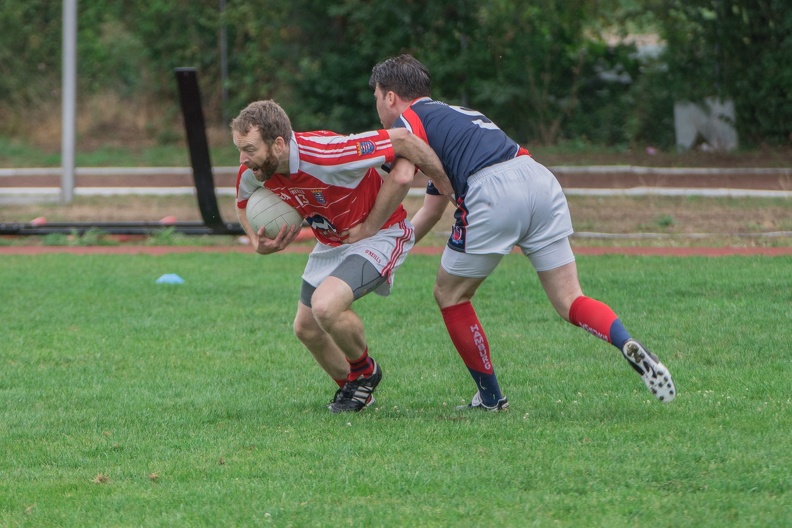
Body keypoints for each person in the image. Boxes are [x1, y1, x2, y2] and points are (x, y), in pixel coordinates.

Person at [361, 54, 675, 410]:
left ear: (390, 97)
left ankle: (492, 398)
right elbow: (433, 209)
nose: (378, 109)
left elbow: (398, 178)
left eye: (376, 98)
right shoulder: (456, 116)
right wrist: (395, 248)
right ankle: (626, 342)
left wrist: (370, 232)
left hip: (491, 191)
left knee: (450, 295)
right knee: (570, 298)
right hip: (536, 177)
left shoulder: (408, 121)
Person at [231, 99, 452, 413]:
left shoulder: (327, 154)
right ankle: (357, 392)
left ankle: (364, 372)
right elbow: (241, 201)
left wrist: (447, 185)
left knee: (326, 305)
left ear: (278, 144)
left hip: (379, 234)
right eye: (239, 149)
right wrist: (256, 241)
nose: (242, 159)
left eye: (249, 149)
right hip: (332, 243)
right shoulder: (255, 170)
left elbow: (402, 140)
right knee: (306, 328)